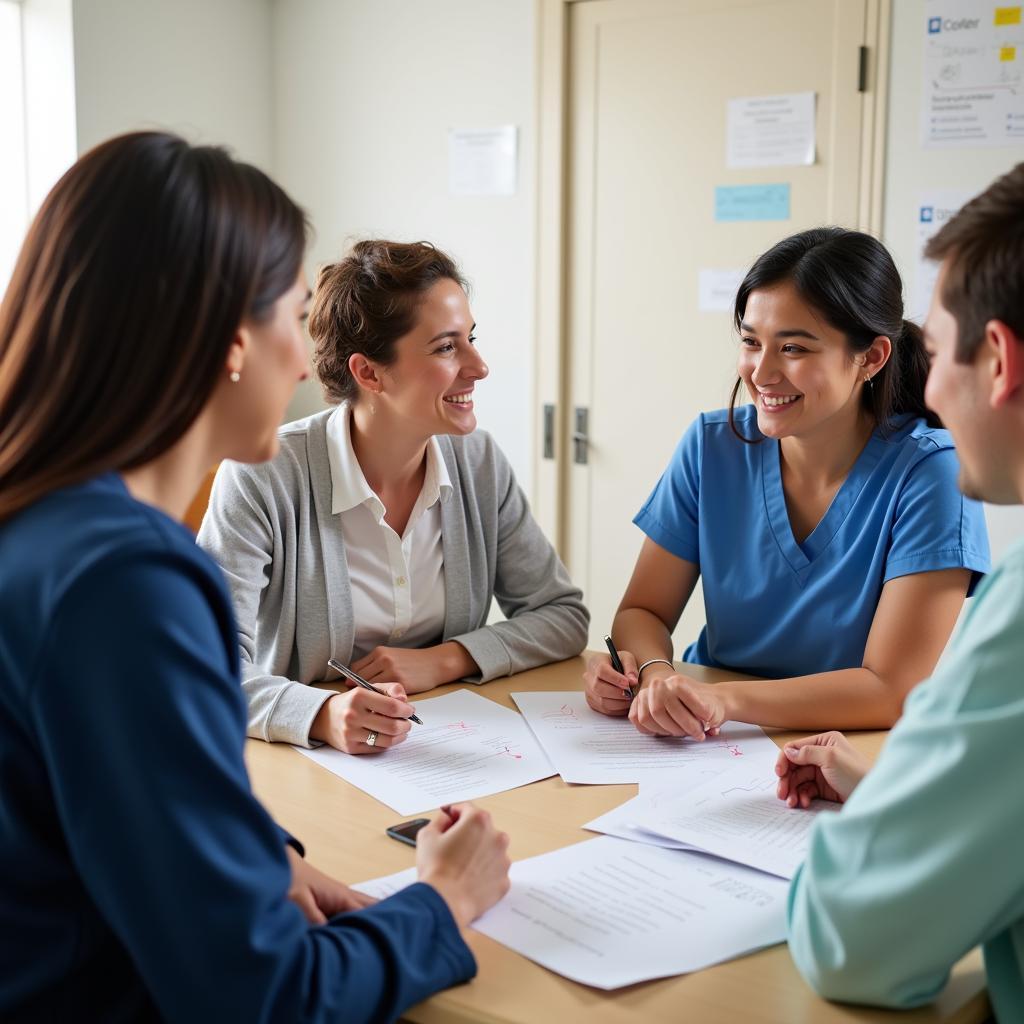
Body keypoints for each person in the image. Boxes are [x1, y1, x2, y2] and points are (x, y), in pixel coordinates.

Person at [0, 131, 510, 1021]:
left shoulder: (41, 526)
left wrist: (262, 856)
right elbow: (267, 996)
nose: (307, 357)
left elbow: (95, 803)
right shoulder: (128, 582)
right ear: (232, 341)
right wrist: (443, 903)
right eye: (296, 310)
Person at [776, 163, 1024, 1018]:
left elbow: (852, 942)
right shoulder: (716, 445)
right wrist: (890, 792)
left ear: (999, 359)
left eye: (938, 346)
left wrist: (874, 833)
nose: (931, 389)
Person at [584, 228, 989, 738]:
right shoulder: (712, 445)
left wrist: (723, 700)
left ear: (872, 357)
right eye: (752, 342)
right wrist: (652, 676)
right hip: (705, 740)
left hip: (846, 747)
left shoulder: (932, 475)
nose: (762, 373)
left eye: (794, 348)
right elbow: (643, 611)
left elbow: (892, 690)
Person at [198, 239, 588, 754]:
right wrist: (322, 713)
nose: (479, 365)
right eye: (447, 347)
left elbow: (562, 616)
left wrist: (447, 659)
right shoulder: (263, 475)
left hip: (451, 751)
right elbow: (203, 666)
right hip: (303, 764)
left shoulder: (479, 463)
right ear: (368, 372)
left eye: (470, 338)